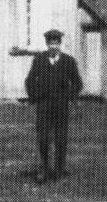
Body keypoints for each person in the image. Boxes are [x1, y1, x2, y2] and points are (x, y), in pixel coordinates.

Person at [24, 29, 83, 183]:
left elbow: (78, 83)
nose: (53, 47)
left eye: (56, 43)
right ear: (47, 44)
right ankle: (44, 168)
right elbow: (29, 80)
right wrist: (34, 97)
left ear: (60, 44)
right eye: (50, 43)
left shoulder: (69, 61)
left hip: (61, 106)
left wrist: (69, 96)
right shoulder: (39, 60)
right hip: (44, 106)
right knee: (43, 138)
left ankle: (59, 170)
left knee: (60, 139)